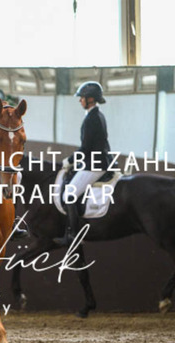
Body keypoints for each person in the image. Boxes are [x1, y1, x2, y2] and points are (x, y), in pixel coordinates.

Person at [53, 81, 113, 246]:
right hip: (97, 161)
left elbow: (86, 148)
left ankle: (73, 236)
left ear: (91, 99)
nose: (80, 100)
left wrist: (69, 161)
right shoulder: (97, 115)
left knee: (69, 194)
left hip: (95, 164)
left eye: (82, 98)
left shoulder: (92, 118)